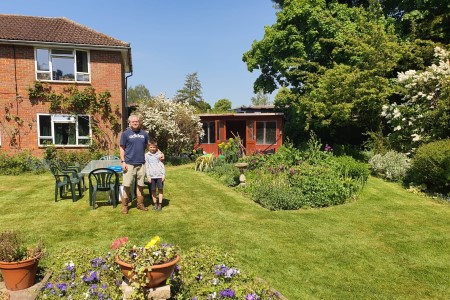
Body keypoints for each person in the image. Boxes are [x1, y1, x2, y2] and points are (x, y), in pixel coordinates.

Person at [120, 114, 163, 214]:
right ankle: (125, 206)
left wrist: (160, 153)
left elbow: (150, 146)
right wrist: (123, 161)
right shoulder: (125, 134)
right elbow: (122, 148)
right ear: (129, 123)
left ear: (139, 122)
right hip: (129, 163)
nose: (135, 123)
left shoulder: (144, 134)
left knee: (140, 185)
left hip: (142, 163)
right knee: (127, 185)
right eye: (133, 122)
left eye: (137, 121)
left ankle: (140, 204)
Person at [145, 141, 165, 211]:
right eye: (151, 147)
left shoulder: (159, 154)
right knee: (153, 190)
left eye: (154, 147)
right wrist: (148, 176)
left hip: (159, 176)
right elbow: (146, 166)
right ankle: (155, 203)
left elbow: (162, 164)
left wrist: (163, 175)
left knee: (160, 190)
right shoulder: (147, 155)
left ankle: (160, 204)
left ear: (156, 148)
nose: (152, 148)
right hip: (151, 176)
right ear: (148, 148)